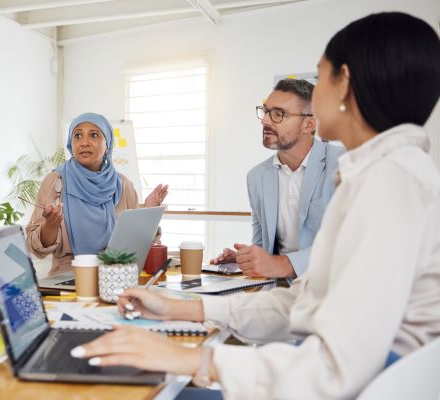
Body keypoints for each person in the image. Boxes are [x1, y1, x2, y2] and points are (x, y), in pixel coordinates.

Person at [71, 12, 440, 399]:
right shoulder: (380, 174)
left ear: (344, 83)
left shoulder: (391, 183)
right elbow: (304, 302)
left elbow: (334, 369)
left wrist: (191, 360)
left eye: (319, 77)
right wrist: (186, 309)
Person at [210, 79, 345, 279]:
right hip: (279, 292)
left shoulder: (343, 163)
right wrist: (246, 258)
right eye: (265, 111)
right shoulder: (257, 177)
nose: (265, 121)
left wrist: (284, 265)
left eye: (278, 114)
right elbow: (263, 246)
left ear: (309, 124)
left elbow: (351, 242)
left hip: (332, 289)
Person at [25, 113, 168, 276]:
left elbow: (136, 245)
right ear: (71, 145)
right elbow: (36, 248)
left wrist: (147, 214)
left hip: (116, 276)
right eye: (77, 135)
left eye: (94, 135)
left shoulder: (123, 185)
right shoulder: (55, 182)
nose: (84, 142)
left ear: (107, 145)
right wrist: (50, 226)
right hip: (67, 278)